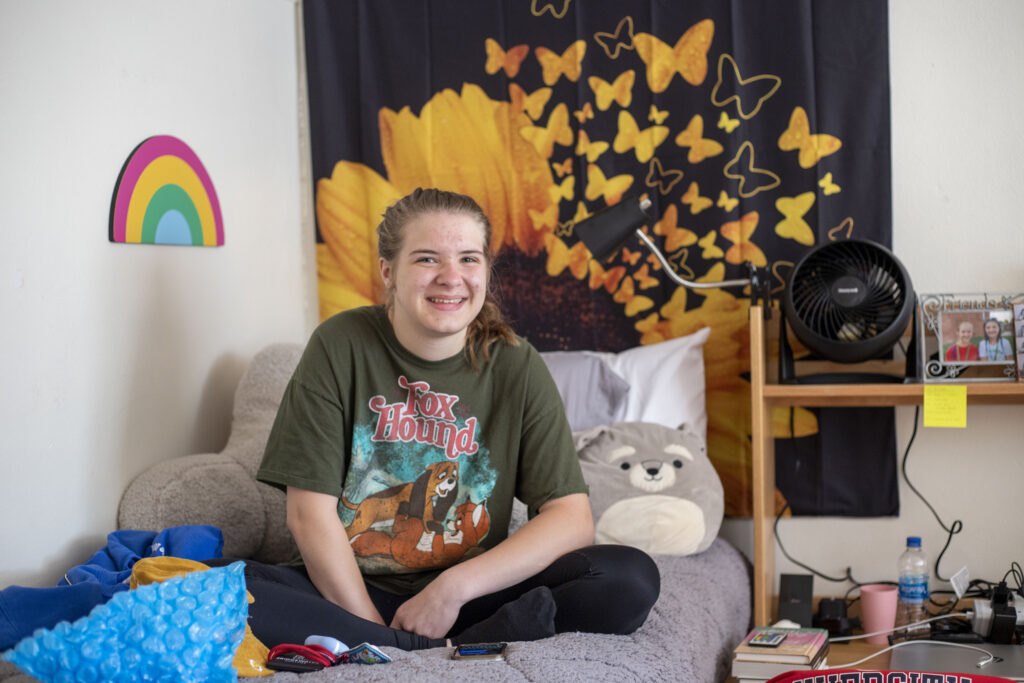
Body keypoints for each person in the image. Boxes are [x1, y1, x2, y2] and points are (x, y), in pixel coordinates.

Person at [236, 188, 659, 651]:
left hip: (473, 595)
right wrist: (379, 635)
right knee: (215, 593)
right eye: (426, 260)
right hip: (346, 593)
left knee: (628, 578)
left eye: (468, 259)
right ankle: (446, 648)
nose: (451, 278)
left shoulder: (516, 364)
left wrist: (451, 589)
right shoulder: (340, 345)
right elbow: (307, 513)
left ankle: (441, 637)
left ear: (486, 272)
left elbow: (571, 519)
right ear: (388, 271)